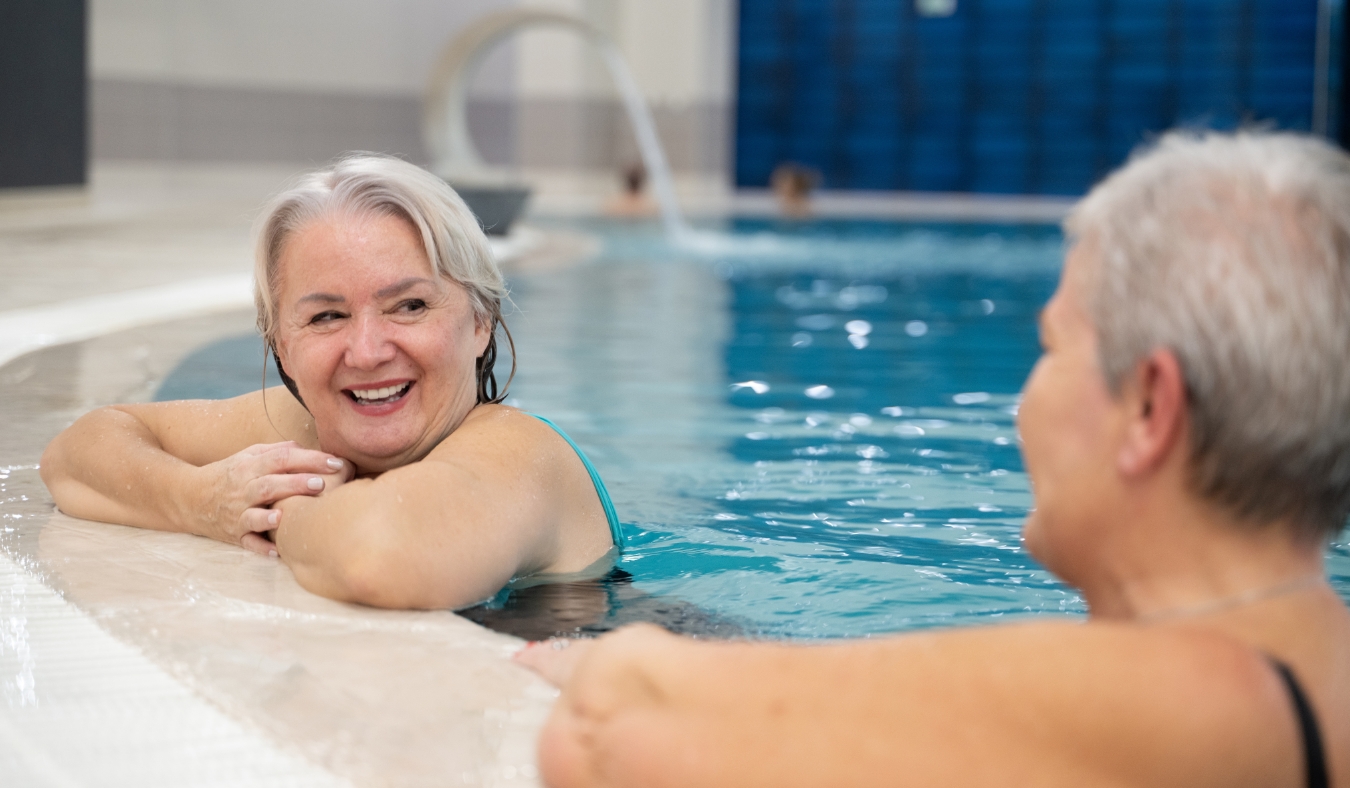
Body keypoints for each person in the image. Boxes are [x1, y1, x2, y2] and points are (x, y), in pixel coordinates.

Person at [517, 131, 1350, 787]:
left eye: (1050, 347)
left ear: (1149, 409)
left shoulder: (1202, 702)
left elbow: (609, 734)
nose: (1024, 401)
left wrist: (615, 661)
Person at [40, 154, 622, 610]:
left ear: (479, 322)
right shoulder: (300, 427)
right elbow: (79, 452)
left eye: (410, 305)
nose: (367, 353)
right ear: (282, 348)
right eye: (326, 316)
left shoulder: (520, 454)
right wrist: (205, 502)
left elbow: (383, 558)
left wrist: (273, 509)